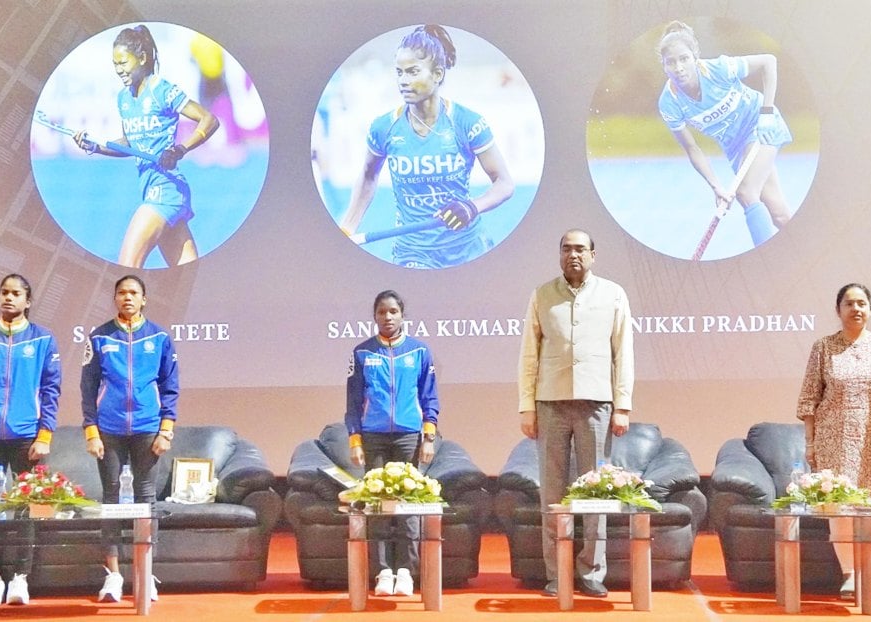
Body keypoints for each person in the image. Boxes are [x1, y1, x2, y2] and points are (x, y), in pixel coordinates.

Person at [338, 24, 514, 269]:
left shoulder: (468, 122)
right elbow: (368, 177)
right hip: (413, 252)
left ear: (437, 74)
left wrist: (472, 207)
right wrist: (346, 229)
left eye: (412, 72)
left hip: (468, 248)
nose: (403, 81)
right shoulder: (383, 127)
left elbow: (504, 183)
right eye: (399, 72)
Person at [518, 229, 634, 598]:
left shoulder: (613, 294)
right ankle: (557, 573)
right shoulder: (542, 295)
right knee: (552, 493)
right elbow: (529, 356)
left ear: (593, 255)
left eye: (581, 249)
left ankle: (592, 572)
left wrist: (622, 405)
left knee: (596, 492)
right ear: (559, 255)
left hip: (597, 404)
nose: (573, 255)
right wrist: (526, 406)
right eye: (567, 249)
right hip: (550, 403)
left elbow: (623, 353)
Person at [797, 283, 871, 598]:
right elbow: (809, 399)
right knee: (840, 508)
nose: (856, 309)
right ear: (838, 310)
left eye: (862, 303)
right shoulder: (823, 347)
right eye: (849, 303)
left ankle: (867, 573)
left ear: (870, 309)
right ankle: (850, 575)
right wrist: (810, 443)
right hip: (833, 441)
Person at [73, 24, 219, 269]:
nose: (119, 70)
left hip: (165, 189)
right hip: (152, 189)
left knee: (127, 267)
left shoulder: (162, 90)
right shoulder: (124, 98)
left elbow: (209, 120)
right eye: (115, 64)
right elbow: (128, 143)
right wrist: (95, 147)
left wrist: (180, 149)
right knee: (187, 277)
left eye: (123, 63)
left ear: (141, 58)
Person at [0, 274, 62, 606]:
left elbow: (51, 391)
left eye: (16, 293)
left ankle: (21, 577)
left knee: (30, 507)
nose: (8, 297)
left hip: (28, 438)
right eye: (4, 292)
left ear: (27, 301)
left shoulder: (43, 340)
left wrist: (44, 434)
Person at [81, 275, 179, 602]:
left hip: (147, 427)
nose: (127, 297)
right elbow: (87, 388)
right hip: (108, 429)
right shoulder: (99, 337)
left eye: (133, 292)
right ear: (115, 298)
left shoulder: (160, 337)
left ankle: (145, 572)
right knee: (110, 498)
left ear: (144, 299)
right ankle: (113, 576)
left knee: (145, 498)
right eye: (122, 292)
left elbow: (170, 387)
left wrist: (166, 429)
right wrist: (91, 431)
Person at [656, 20, 793, 250]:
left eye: (684, 58)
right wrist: (716, 187)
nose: (678, 67)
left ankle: (767, 260)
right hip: (736, 147)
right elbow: (692, 149)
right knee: (779, 214)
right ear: (664, 66)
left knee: (747, 193)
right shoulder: (669, 103)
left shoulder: (718, 69)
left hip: (760, 126)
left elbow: (768, 61)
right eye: (671, 62)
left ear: (695, 57)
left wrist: (767, 113)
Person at [345, 290, 440, 596]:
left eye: (393, 312)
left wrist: (428, 436)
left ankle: (406, 572)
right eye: (382, 312)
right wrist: (355, 440)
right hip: (373, 437)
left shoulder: (419, 351)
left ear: (402, 315)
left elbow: (429, 397)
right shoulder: (362, 352)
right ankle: (383, 572)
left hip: (408, 436)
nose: (387, 317)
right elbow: (353, 402)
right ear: (374, 316)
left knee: (408, 504)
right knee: (378, 506)